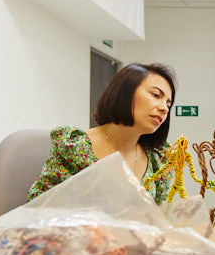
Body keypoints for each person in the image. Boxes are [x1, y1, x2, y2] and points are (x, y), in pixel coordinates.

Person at [28, 62, 176, 201]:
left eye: (168, 104)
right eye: (156, 95)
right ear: (125, 93)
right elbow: (41, 207)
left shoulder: (158, 160)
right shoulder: (74, 148)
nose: (164, 108)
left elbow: (157, 217)